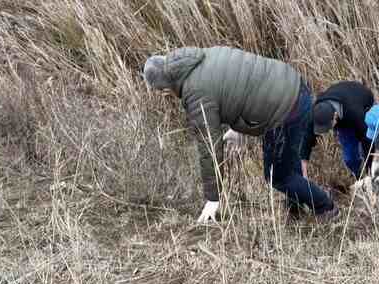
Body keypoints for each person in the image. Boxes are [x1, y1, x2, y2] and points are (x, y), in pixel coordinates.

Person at [142, 47, 337, 222]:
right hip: (294, 85)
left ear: (165, 88)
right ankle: (295, 207)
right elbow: (243, 85)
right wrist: (238, 129)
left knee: (278, 176)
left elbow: (209, 146)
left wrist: (213, 198)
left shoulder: (195, 93)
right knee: (287, 164)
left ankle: (325, 207)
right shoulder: (202, 57)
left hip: (285, 110)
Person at [302, 80, 378, 182]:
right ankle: (358, 177)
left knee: (366, 149)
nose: (326, 130)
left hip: (362, 102)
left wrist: (371, 172)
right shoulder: (316, 112)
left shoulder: (356, 113)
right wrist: (304, 175)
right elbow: (306, 142)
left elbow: (368, 141)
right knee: (350, 158)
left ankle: (374, 175)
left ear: (335, 116)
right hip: (343, 110)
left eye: (327, 126)